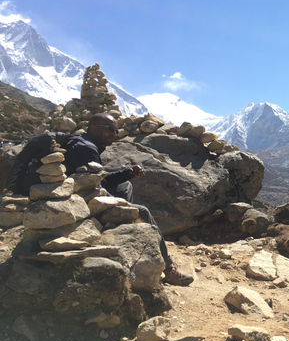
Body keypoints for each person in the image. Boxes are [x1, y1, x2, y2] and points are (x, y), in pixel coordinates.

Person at [64, 113, 194, 286]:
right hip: (81, 199)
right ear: (94, 128)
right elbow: (94, 187)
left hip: (82, 193)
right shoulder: (86, 149)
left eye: (116, 131)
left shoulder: (88, 144)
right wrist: (122, 205)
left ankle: (122, 226)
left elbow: (98, 179)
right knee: (142, 212)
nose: (114, 134)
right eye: (110, 129)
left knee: (125, 186)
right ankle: (168, 268)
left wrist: (127, 173)